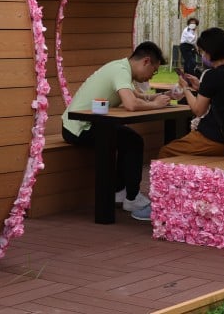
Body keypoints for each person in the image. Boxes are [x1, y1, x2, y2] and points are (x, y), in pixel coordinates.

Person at [61, 41, 170, 221]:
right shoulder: (121, 71)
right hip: (79, 128)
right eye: (154, 70)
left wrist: (153, 98)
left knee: (127, 138)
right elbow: (131, 104)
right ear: (146, 62)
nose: (152, 76)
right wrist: (155, 105)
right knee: (132, 141)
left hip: (81, 125)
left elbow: (135, 96)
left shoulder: (120, 67)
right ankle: (132, 198)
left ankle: (119, 191)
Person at [158, 27, 224, 158]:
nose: (202, 55)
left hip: (213, 139)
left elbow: (198, 110)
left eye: (202, 51)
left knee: (166, 152)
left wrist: (185, 88)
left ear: (210, 51)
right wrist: (200, 87)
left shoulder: (212, 75)